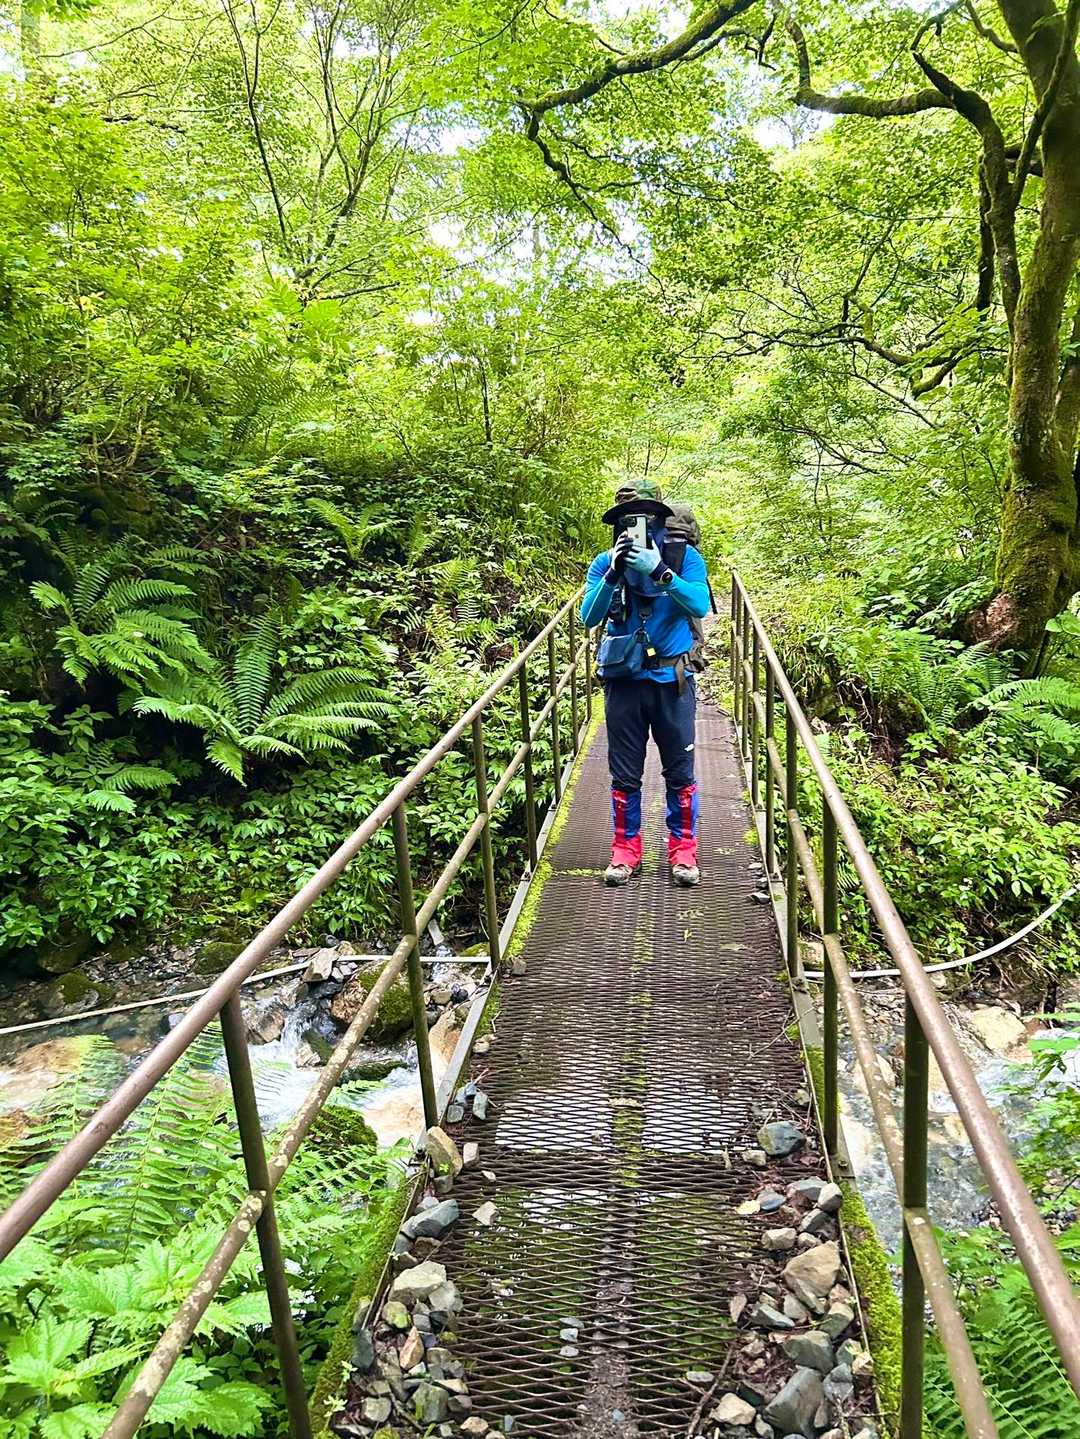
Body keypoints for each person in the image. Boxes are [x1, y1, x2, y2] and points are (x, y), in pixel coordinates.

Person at [580, 481, 711, 888]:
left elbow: (700, 604)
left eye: (644, 517)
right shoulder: (605, 562)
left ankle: (683, 850)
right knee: (624, 772)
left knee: (680, 771)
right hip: (624, 681)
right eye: (625, 519)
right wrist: (613, 574)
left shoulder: (684, 558)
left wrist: (660, 571)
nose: (634, 525)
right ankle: (625, 850)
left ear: (659, 520)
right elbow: (588, 617)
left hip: (673, 680)